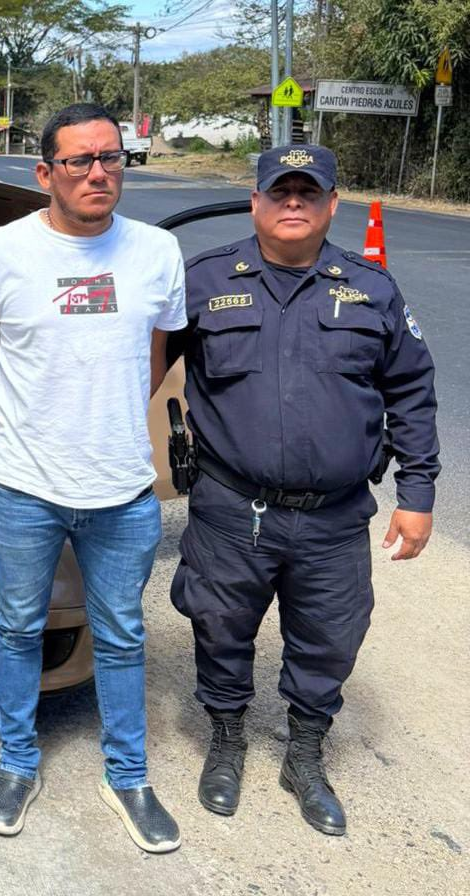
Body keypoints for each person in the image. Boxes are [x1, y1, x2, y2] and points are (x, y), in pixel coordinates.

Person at [171, 144, 438, 836]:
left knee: (328, 641)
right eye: (279, 191)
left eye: (308, 193)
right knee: (220, 627)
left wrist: (418, 494)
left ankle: (305, 755)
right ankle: (226, 741)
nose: (294, 203)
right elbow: (127, 369)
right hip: (232, 507)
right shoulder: (202, 281)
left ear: (331, 205)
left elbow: (411, 391)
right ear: (255, 202)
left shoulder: (371, 289)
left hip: (335, 516)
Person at [0, 104, 185, 851]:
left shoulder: (156, 253)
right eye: (80, 161)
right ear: (44, 171)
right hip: (24, 489)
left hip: (122, 492)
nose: (98, 173)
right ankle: (17, 765)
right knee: (17, 629)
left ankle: (129, 779)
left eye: (111, 158)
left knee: (121, 636)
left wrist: (107, 422)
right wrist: (17, 434)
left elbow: (155, 356)